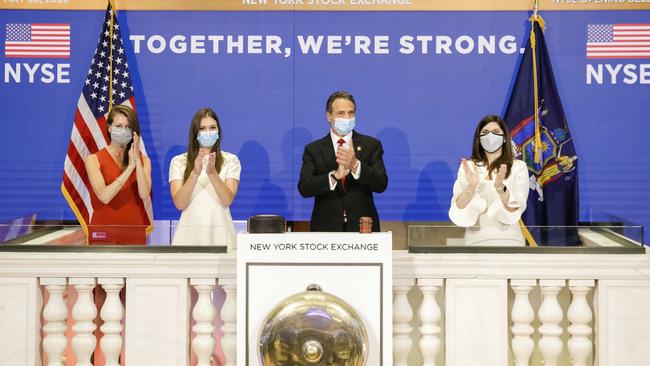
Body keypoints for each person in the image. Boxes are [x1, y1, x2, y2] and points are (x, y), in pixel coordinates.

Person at [298, 91, 388, 232]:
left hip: (363, 228)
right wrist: (334, 176)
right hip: (326, 229)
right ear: (329, 116)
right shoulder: (313, 149)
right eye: (341, 113)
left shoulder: (371, 145)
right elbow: (304, 188)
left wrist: (355, 166)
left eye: (350, 113)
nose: (347, 118)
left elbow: (381, 184)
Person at [448, 114, 529, 246]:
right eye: (485, 132)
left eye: (496, 132)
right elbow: (459, 207)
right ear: (479, 139)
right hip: (476, 241)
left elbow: (516, 207)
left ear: (504, 138)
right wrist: (472, 186)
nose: (490, 136)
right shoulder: (468, 167)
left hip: (510, 241)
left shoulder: (519, 167)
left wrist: (500, 187)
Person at [169, 108, 241, 248]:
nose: (208, 132)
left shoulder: (231, 160)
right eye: (202, 128)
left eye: (212, 128)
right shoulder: (178, 161)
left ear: (218, 131)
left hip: (221, 232)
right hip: (189, 234)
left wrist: (212, 173)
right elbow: (179, 203)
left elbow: (227, 200)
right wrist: (195, 173)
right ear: (195, 133)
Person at [85, 104, 151, 245]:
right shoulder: (93, 160)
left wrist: (137, 162)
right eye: (119, 126)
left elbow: (144, 193)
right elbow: (104, 196)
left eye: (128, 127)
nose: (123, 130)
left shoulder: (144, 161)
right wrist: (129, 169)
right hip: (103, 236)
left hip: (134, 234)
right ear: (109, 128)